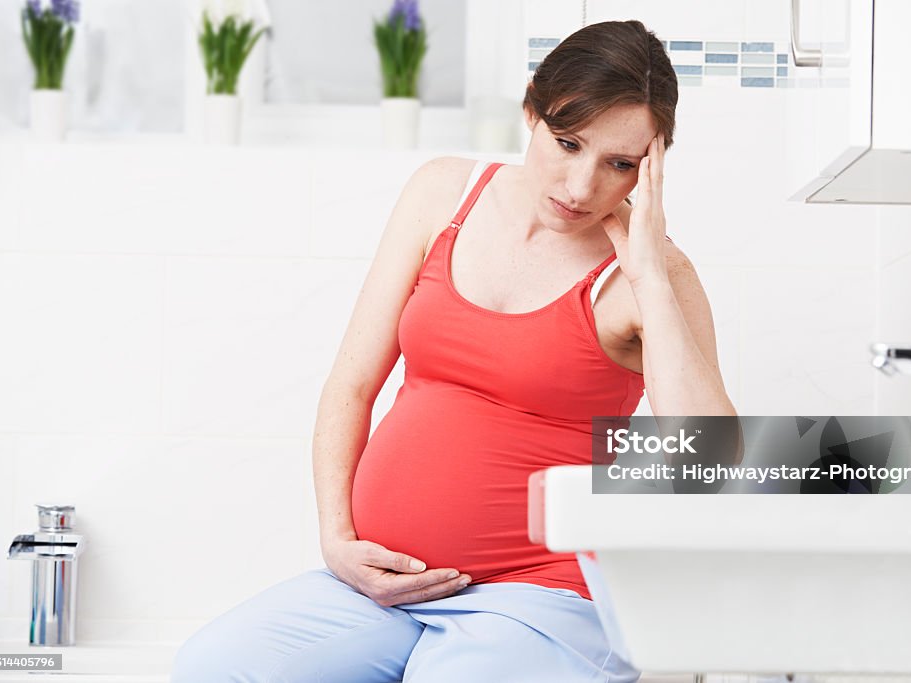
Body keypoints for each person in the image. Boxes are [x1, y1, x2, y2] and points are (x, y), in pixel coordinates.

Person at [171, 19, 735, 683]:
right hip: (385, 585)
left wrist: (649, 278)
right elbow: (352, 383)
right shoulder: (443, 194)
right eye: (567, 142)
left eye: (620, 164)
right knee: (210, 666)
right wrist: (338, 540)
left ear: (653, 164)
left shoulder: (656, 277)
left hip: (543, 598)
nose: (582, 186)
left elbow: (709, 459)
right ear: (531, 110)